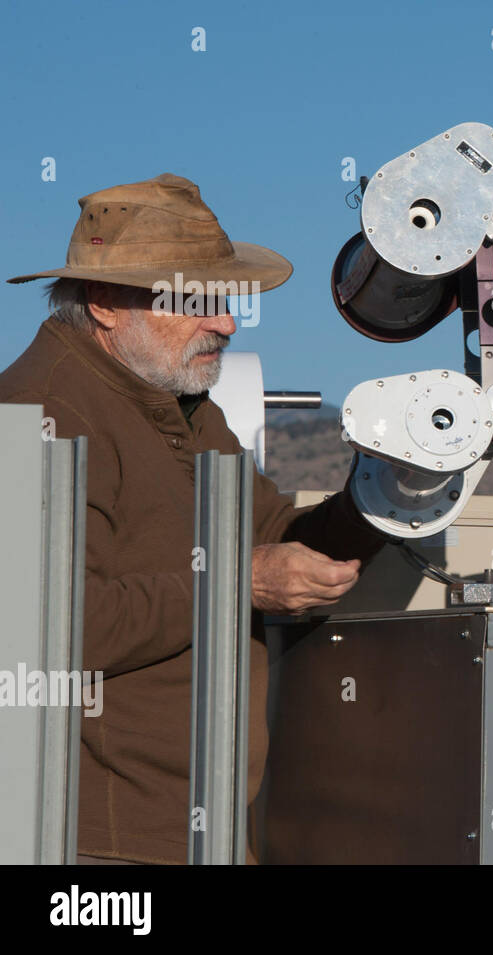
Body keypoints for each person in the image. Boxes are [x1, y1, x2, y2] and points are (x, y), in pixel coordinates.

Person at [0, 173, 390, 864]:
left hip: (192, 836)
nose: (228, 322)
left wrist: (391, 490)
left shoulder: (184, 410)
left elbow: (275, 540)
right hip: (85, 847)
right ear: (105, 303)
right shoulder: (38, 411)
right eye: (197, 299)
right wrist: (240, 583)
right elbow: (46, 627)